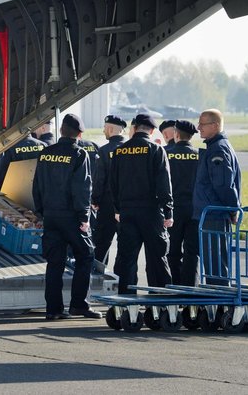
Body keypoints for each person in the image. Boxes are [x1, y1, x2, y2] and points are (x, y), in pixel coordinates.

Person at [32, 113, 99, 320]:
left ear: (61, 131)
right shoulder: (79, 154)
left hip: (50, 215)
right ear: (79, 134)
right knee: (86, 255)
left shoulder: (46, 153)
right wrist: (84, 217)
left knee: (55, 262)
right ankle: (78, 305)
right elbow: (82, 188)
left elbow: (37, 185)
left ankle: (53, 309)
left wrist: (42, 211)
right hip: (71, 216)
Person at [110, 113, 173, 295]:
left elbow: (113, 184)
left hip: (127, 212)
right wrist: (168, 211)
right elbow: (164, 184)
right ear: (152, 131)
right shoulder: (156, 150)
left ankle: (126, 302)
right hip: (151, 212)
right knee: (157, 258)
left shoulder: (120, 151)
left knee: (126, 259)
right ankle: (160, 300)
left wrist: (117, 209)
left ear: (134, 128)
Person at [193, 109, 242, 286]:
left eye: (202, 124)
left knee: (215, 265)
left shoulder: (218, 149)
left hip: (215, 214)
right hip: (214, 213)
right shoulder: (217, 146)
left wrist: (233, 209)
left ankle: (220, 305)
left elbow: (223, 184)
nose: (198, 128)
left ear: (214, 125)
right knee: (214, 263)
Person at [166, 120, 200, 286]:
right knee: (192, 252)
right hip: (195, 210)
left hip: (174, 209)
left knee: (172, 251)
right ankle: (190, 287)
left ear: (176, 134)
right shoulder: (200, 154)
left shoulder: (166, 154)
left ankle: (175, 284)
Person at [91, 114, 127, 270]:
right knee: (125, 247)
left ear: (111, 129)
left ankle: (99, 275)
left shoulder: (105, 151)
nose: (104, 131)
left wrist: (95, 200)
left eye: (105, 128)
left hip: (107, 205)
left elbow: (100, 179)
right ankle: (123, 281)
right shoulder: (131, 149)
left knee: (102, 243)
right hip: (127, 205)